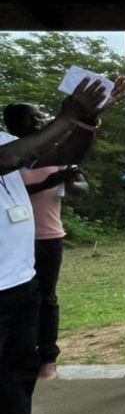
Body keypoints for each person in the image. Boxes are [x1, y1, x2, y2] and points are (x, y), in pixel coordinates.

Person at [1, 77, 125, 414]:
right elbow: (10, 161)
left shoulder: (4, 138)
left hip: (18, 280)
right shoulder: (8, 148)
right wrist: (65, 116)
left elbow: (60, 154)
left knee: (17, 376)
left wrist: (86, 122)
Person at [3, 104, 89, 381]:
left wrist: (72, 181)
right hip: (12, 250)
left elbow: (79, 184)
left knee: (45, 299)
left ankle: (46, 359)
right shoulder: (10, 150)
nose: (40, 121)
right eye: (33, 117)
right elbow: (10, 169)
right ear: (12, 122)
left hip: (47, 235)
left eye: (42, 117)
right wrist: (47, 182)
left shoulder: (47, 153)